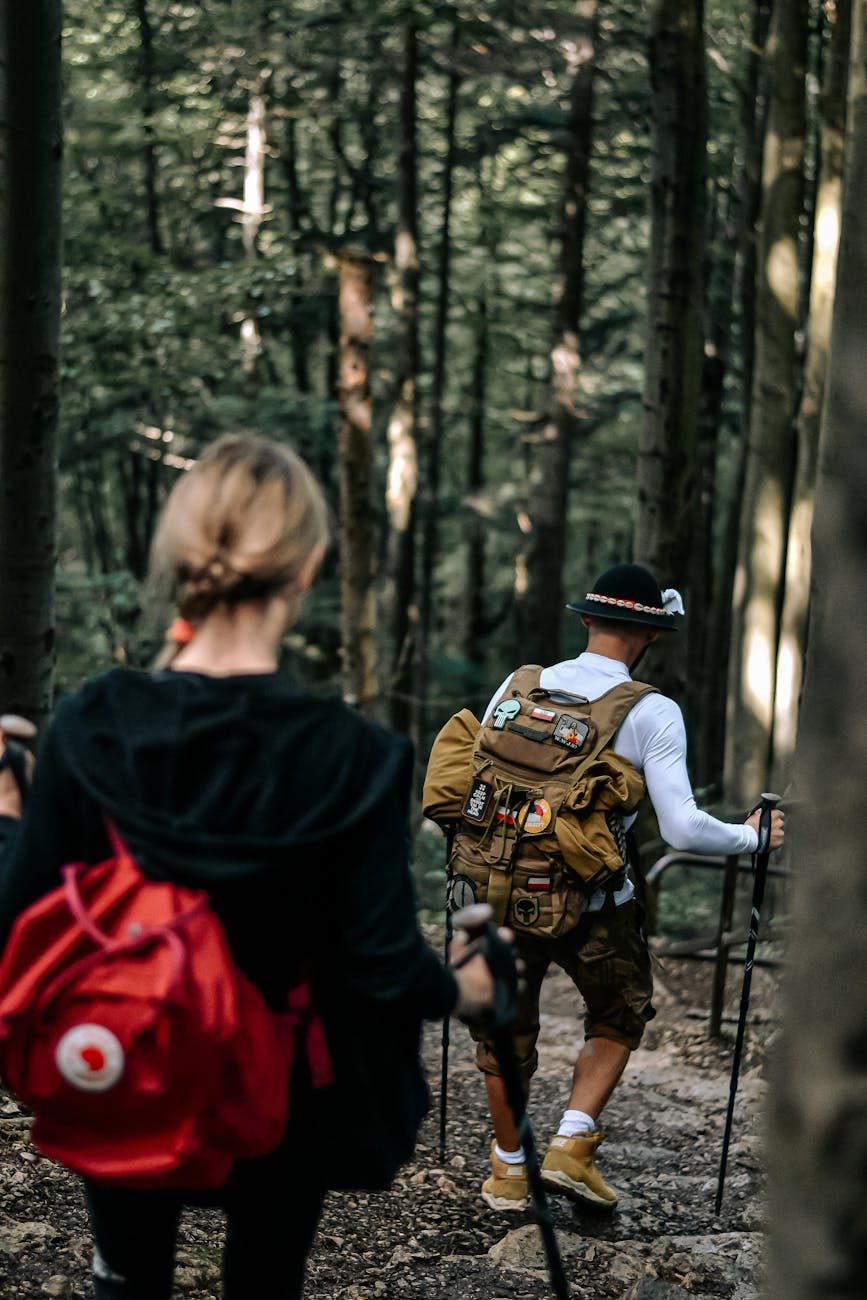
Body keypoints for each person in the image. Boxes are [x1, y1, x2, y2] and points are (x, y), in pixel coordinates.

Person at [0, 434, 495, 1300]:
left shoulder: (94, 725)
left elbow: (21, 918)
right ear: (304, 570)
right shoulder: (355, 756)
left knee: (127, 1284)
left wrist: (9, 817)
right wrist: (472, 990)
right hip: (286, 1099)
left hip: (124, 1062)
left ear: (183, 560)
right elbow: (381, 966)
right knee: (266, 1284)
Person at [436, 563, 785, 1213]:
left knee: (503, 1029)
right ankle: (570, 1146)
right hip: (591, 902)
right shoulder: (649, 710)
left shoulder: (517, 687)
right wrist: (752, 837)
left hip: (498, 889)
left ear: (587, 619)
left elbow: (472, 787)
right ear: (649, 635)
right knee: (620, 1010)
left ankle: (508, 1170)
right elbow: (681, 828)